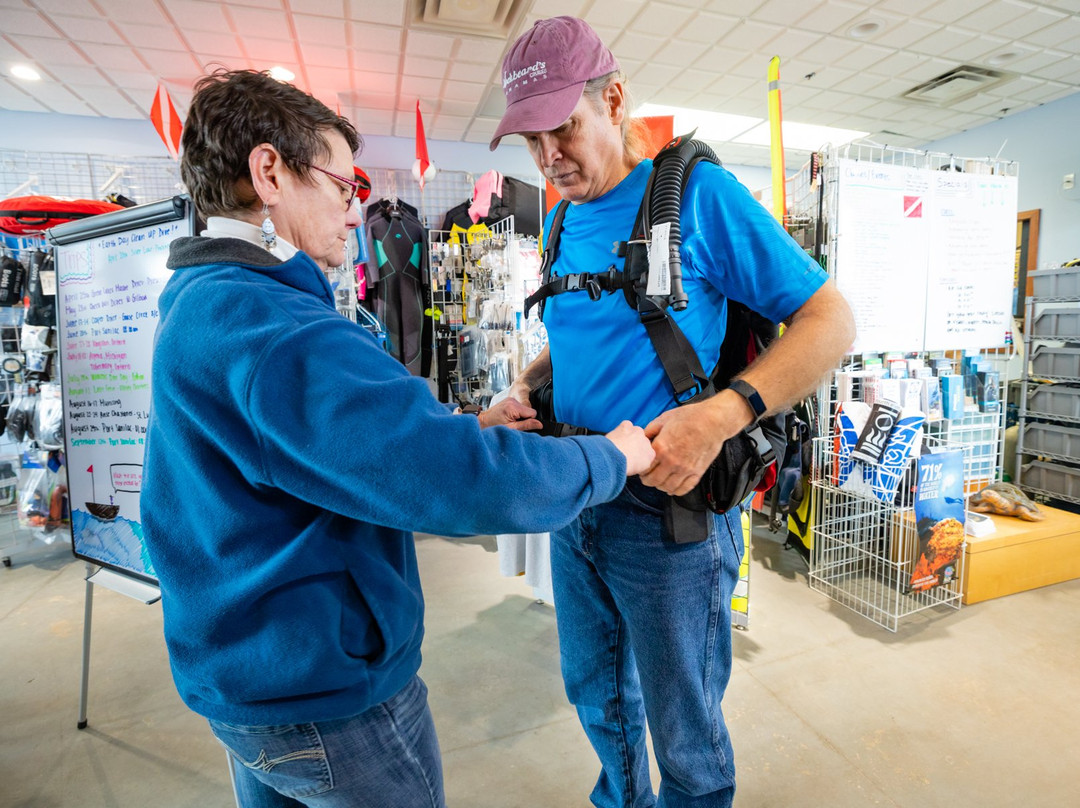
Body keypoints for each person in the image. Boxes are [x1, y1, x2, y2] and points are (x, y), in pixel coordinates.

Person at [140, 69, 655, 808]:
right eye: (343, 185)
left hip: (248, 682)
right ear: (269, 172)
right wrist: (611, 458)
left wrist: (461, 425)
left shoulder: (203, 304)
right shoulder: (279, 334)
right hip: (323, 693)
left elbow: (313, 456)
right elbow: (467, 481)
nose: (356, 213)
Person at [490, 17, 856, 808]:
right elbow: (590, 334)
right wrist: (527, 385)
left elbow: (833, 321)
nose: (550, 157)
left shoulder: (696, 197)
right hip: (577, 495)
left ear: (614, 99)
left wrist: (726, 413)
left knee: (683, 729)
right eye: (532, 141)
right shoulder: (558, 221)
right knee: (598, 697)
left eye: (564, 128)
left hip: (669, 521)